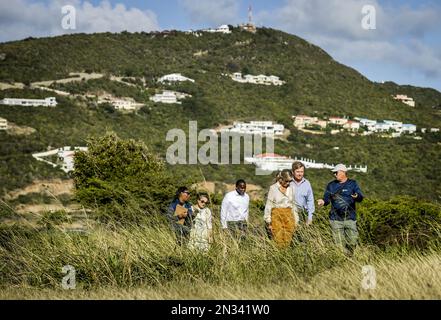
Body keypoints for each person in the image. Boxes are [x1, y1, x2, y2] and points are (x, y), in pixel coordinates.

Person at [317, 164, 364, 255]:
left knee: (352, 241)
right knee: (339, 245)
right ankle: (344, 260)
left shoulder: (353, 184)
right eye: (334, 173)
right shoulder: (331, 185)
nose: (334, 174)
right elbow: (327, 199)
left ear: (343, 172)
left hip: (350, 218)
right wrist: (323, 201)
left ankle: (350, 255)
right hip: (335, 219)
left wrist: (357, 196)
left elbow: (360, 198)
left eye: (336, 172)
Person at [264, 169, 299, 248]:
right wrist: (268, 221)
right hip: (276, 215)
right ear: (281, 179)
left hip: (289, 215)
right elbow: (269, 205)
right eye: (286, 181)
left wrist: (296, 219)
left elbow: (293, 204)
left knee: (288, 239)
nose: (288, 183)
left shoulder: (292, 188)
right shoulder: (273, 188)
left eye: (290, 181)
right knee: (278, 239)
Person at [291, 161, 315, 226]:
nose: (300, 174)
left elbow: (310, 201)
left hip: (302, 215)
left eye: (302, 172)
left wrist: (310, 217)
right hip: (289, 214)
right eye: (298, 172)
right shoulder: (288, 183)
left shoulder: (307, 184)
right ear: (293, 172)